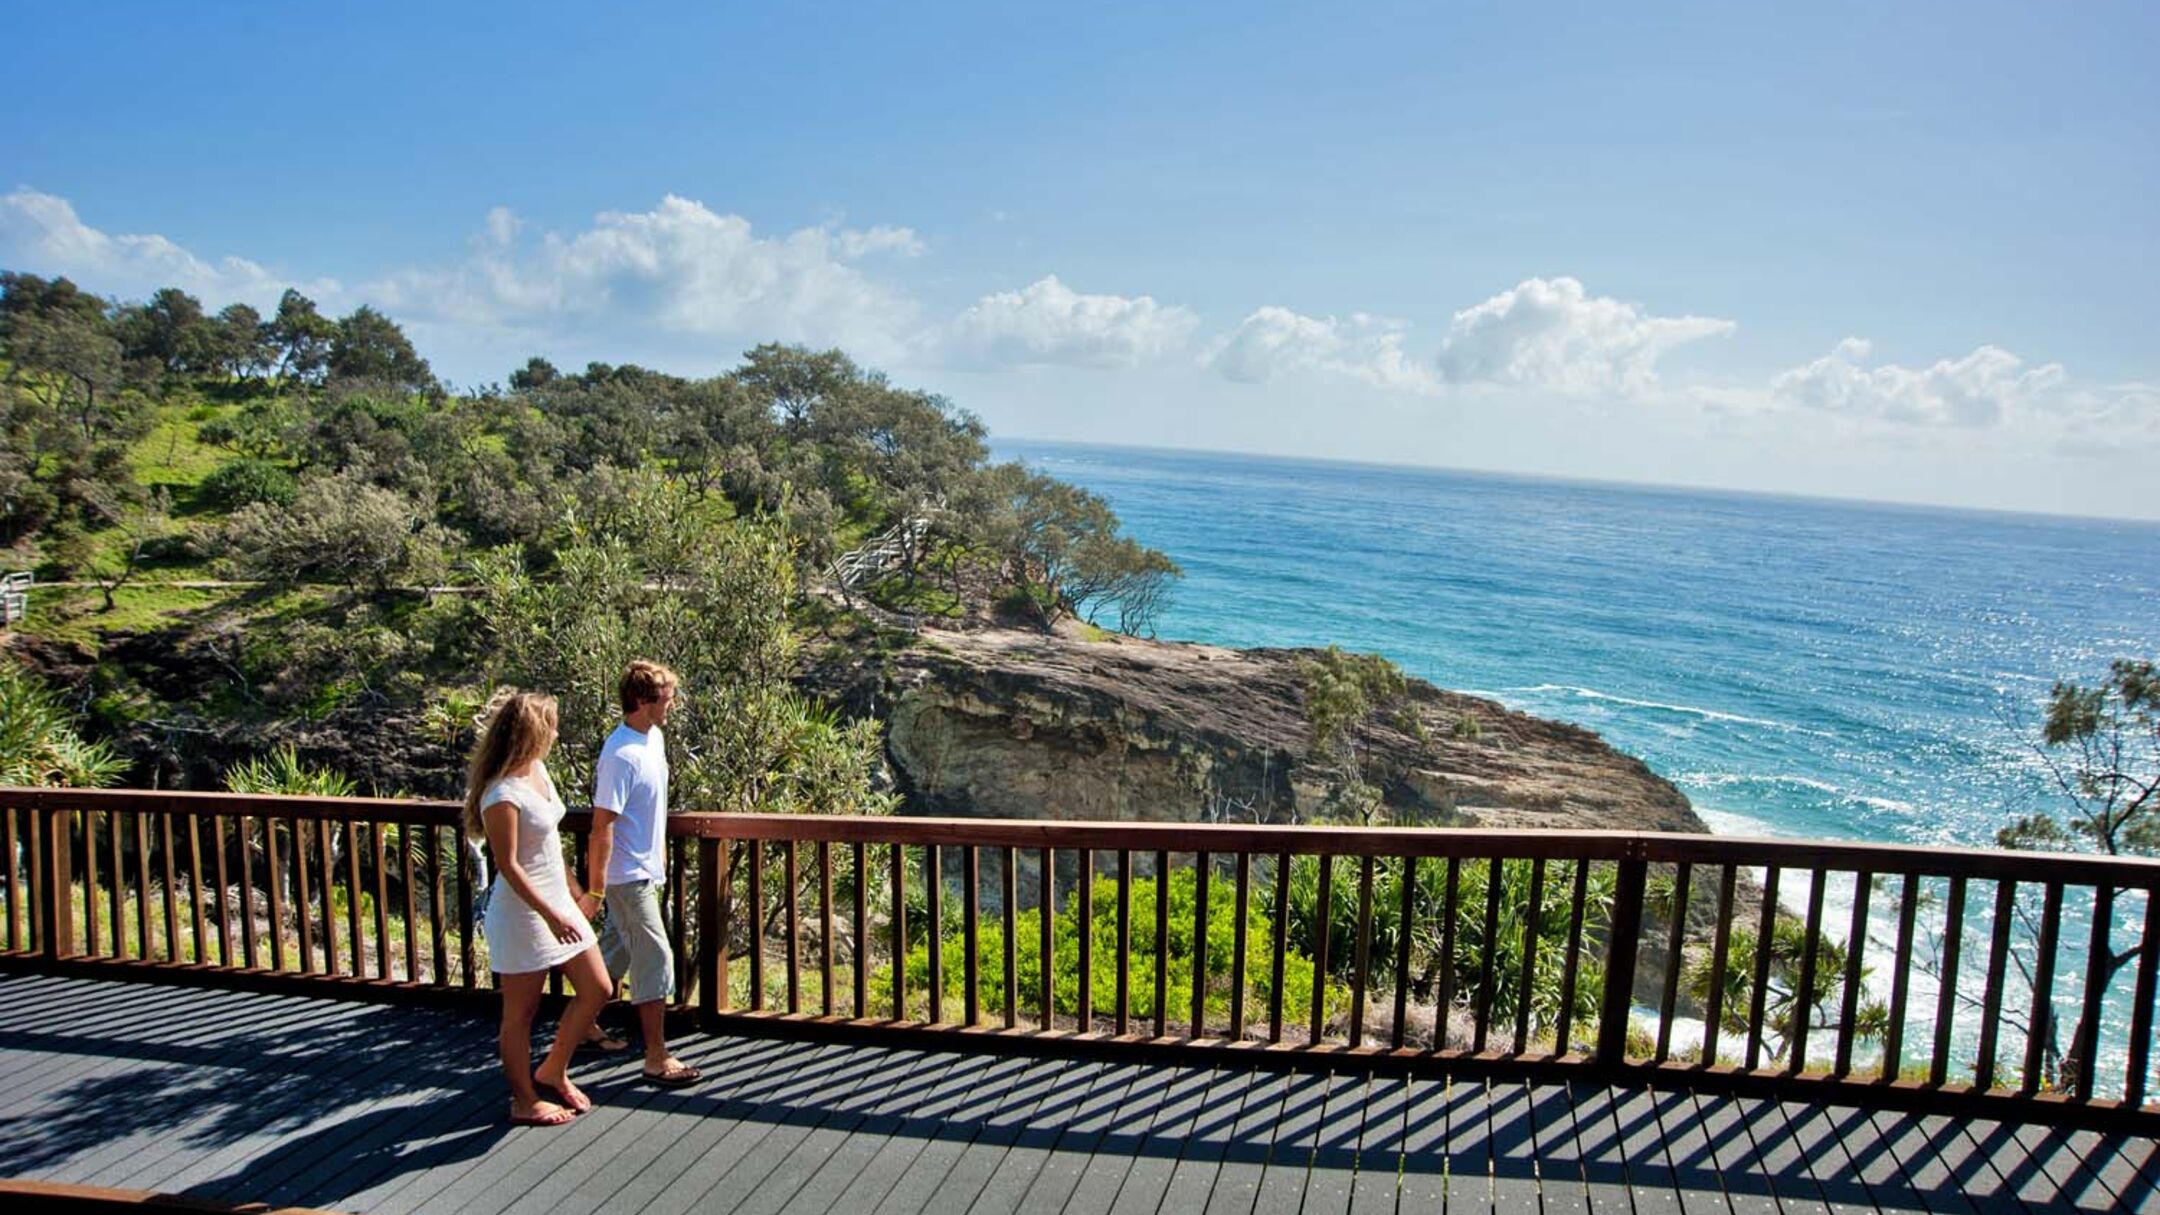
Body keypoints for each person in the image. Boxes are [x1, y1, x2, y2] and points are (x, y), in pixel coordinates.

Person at [464, 688, 611, 1126]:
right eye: (552, 725)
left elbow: (547, 846)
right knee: (520, 1014)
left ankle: (554, 1068)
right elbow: (507, 865)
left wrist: (576, 891)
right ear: (533, 731)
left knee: (598, 988)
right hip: (523, 916)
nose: (557, 732)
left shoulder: (538, 772)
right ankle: (523, 1099)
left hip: (558, 905)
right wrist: (550, 913)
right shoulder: (501, 794)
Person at [584, 659, 701, 1088]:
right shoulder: (621, 754)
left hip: (644, 870)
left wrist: (661, 855)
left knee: (616, 952)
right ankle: (656, 1056)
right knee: (655, 955)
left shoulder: (653, 740)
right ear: (641, 701)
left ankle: (581, 1025)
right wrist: (596, 888)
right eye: (666, 698)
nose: (671, 705)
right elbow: (602, 825)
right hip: (624, 875)